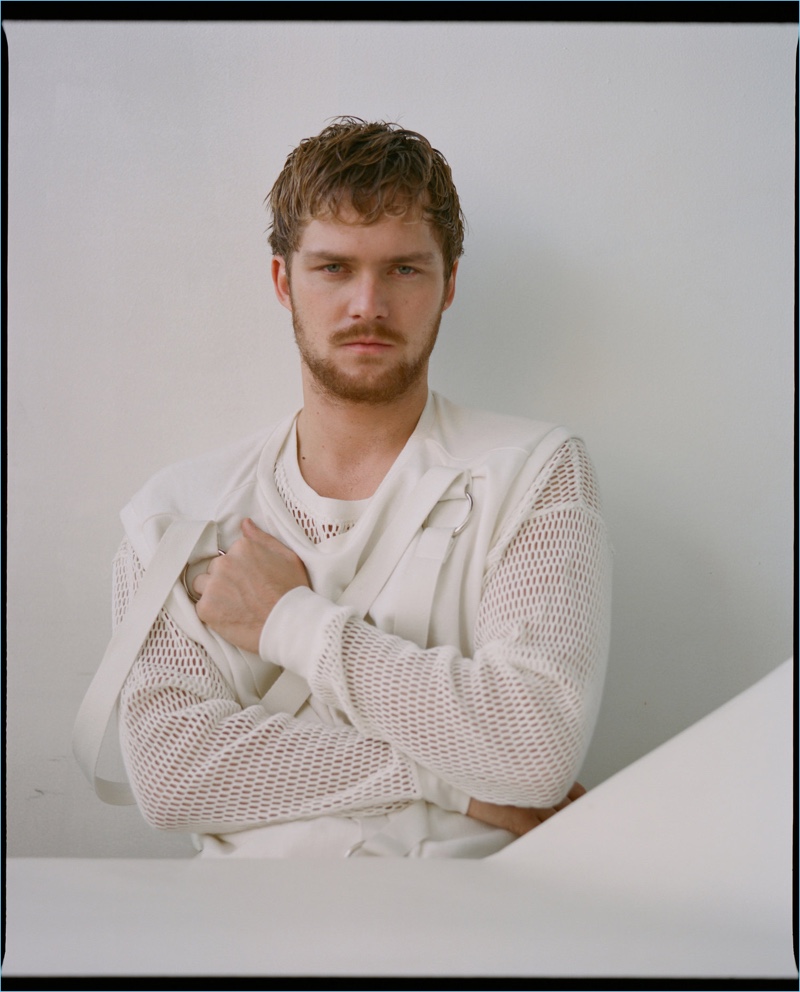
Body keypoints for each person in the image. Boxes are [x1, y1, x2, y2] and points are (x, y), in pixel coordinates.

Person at [108, 118, 612, 858]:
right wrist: (456, 779)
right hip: (247, 940)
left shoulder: (534, 472)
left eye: (405, 269)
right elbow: (172, 776)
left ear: (448, 285)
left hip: (477, 934)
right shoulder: (175, 514)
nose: (368, 304)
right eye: (334, 268)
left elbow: (534, 748)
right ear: (284, 281)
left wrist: (289, 620)